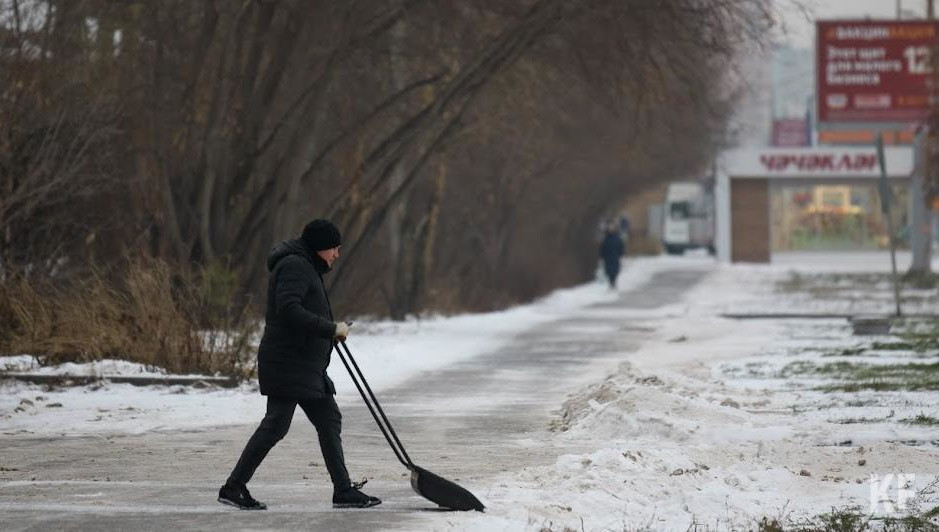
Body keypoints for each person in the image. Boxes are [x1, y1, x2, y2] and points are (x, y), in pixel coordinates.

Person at [218, 219, 381, 510]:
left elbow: (303, 310)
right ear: (319, 246)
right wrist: (329, 328)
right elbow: (289, 310)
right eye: (334, 248)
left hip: (304, 366)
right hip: (288, 363)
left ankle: (343, 490)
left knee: (328, 419)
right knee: (276, 425)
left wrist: (330, 330)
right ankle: (233, 487)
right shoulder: (295, 266)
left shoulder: (307, 266)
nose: (337, 254)